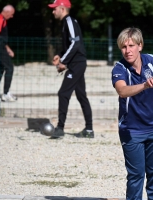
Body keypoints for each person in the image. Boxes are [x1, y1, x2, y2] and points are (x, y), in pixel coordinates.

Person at [111, 27, 153, 200]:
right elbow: (122, 90)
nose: (127, 50)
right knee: (136, 177)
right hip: (132, 131)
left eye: (131, 45)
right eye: (123, 47)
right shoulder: (119, 69)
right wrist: (144, 85)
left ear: (140, 46)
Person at [48, 0, 94, 139]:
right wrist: (60, 55)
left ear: (62, 8)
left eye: (54, 8)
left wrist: (63, 61)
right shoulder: (65, 23)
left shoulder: (69, 21)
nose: (53, 11)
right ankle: (89, 130)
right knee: (81, 95)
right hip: (76, 64)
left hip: (77, 64)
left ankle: (60, 128)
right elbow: (70, 45)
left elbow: (75, 43)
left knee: (63, 93)